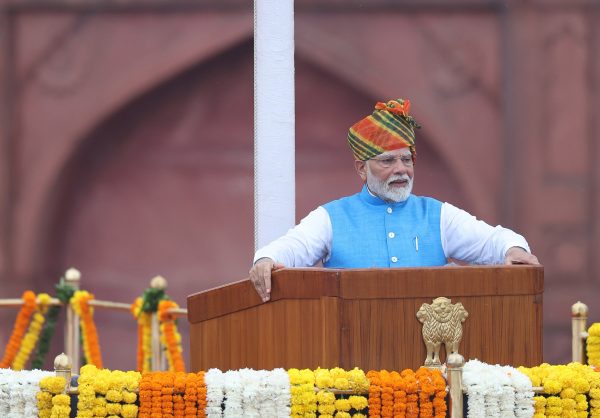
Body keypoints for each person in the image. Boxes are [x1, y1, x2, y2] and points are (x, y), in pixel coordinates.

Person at [250, 98, 539, 302]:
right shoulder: (331, 217)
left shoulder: (437, 215)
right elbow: (291, 248)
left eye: (406, 159)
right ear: (361, 168)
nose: (401, 169)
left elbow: (494, 241)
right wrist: (266, 259)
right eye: (388, 161)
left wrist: (513, 248)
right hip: (355, 360)